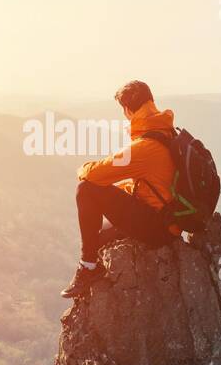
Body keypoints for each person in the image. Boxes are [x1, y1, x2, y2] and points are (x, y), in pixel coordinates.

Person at [61, 80, 178, 298]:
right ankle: (90, 265)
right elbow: (154, 184)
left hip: (158, 228)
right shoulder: (167, 133)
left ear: (127, 109)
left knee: (85, 189)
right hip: (167, 221)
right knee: (98, 237)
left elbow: (94, 175)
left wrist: (83, 168)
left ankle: (89, 267)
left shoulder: (145, 146)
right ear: (151, 101)